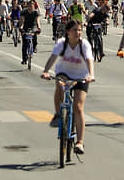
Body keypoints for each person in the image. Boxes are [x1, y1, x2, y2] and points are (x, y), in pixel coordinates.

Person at [41, 20, 96, 156]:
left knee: (78, 107)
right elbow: (53, 57)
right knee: (59, 85)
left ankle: (80, 142)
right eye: (74, 30)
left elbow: (89, 60)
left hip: (81, 76)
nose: (77, 32)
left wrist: (91, 75)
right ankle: (58, 114)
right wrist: (46, 71)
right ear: (68, 32)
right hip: (64, 73)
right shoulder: (62, 43)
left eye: (79, 30)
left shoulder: (84, 44)